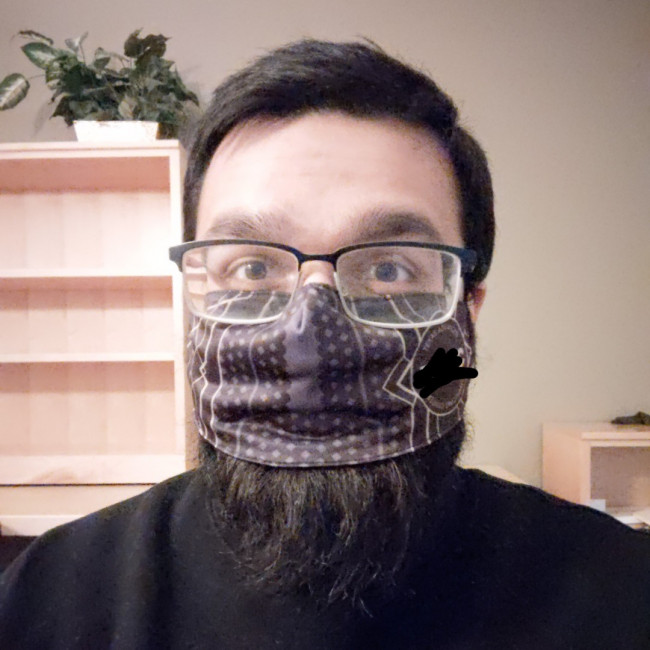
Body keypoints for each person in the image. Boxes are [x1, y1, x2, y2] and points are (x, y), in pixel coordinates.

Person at [1, 38, 648, 650]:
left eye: (389, 268)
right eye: (252, 267)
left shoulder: (621, 596)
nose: (309, 340)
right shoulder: (48, 601)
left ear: (468, 312)